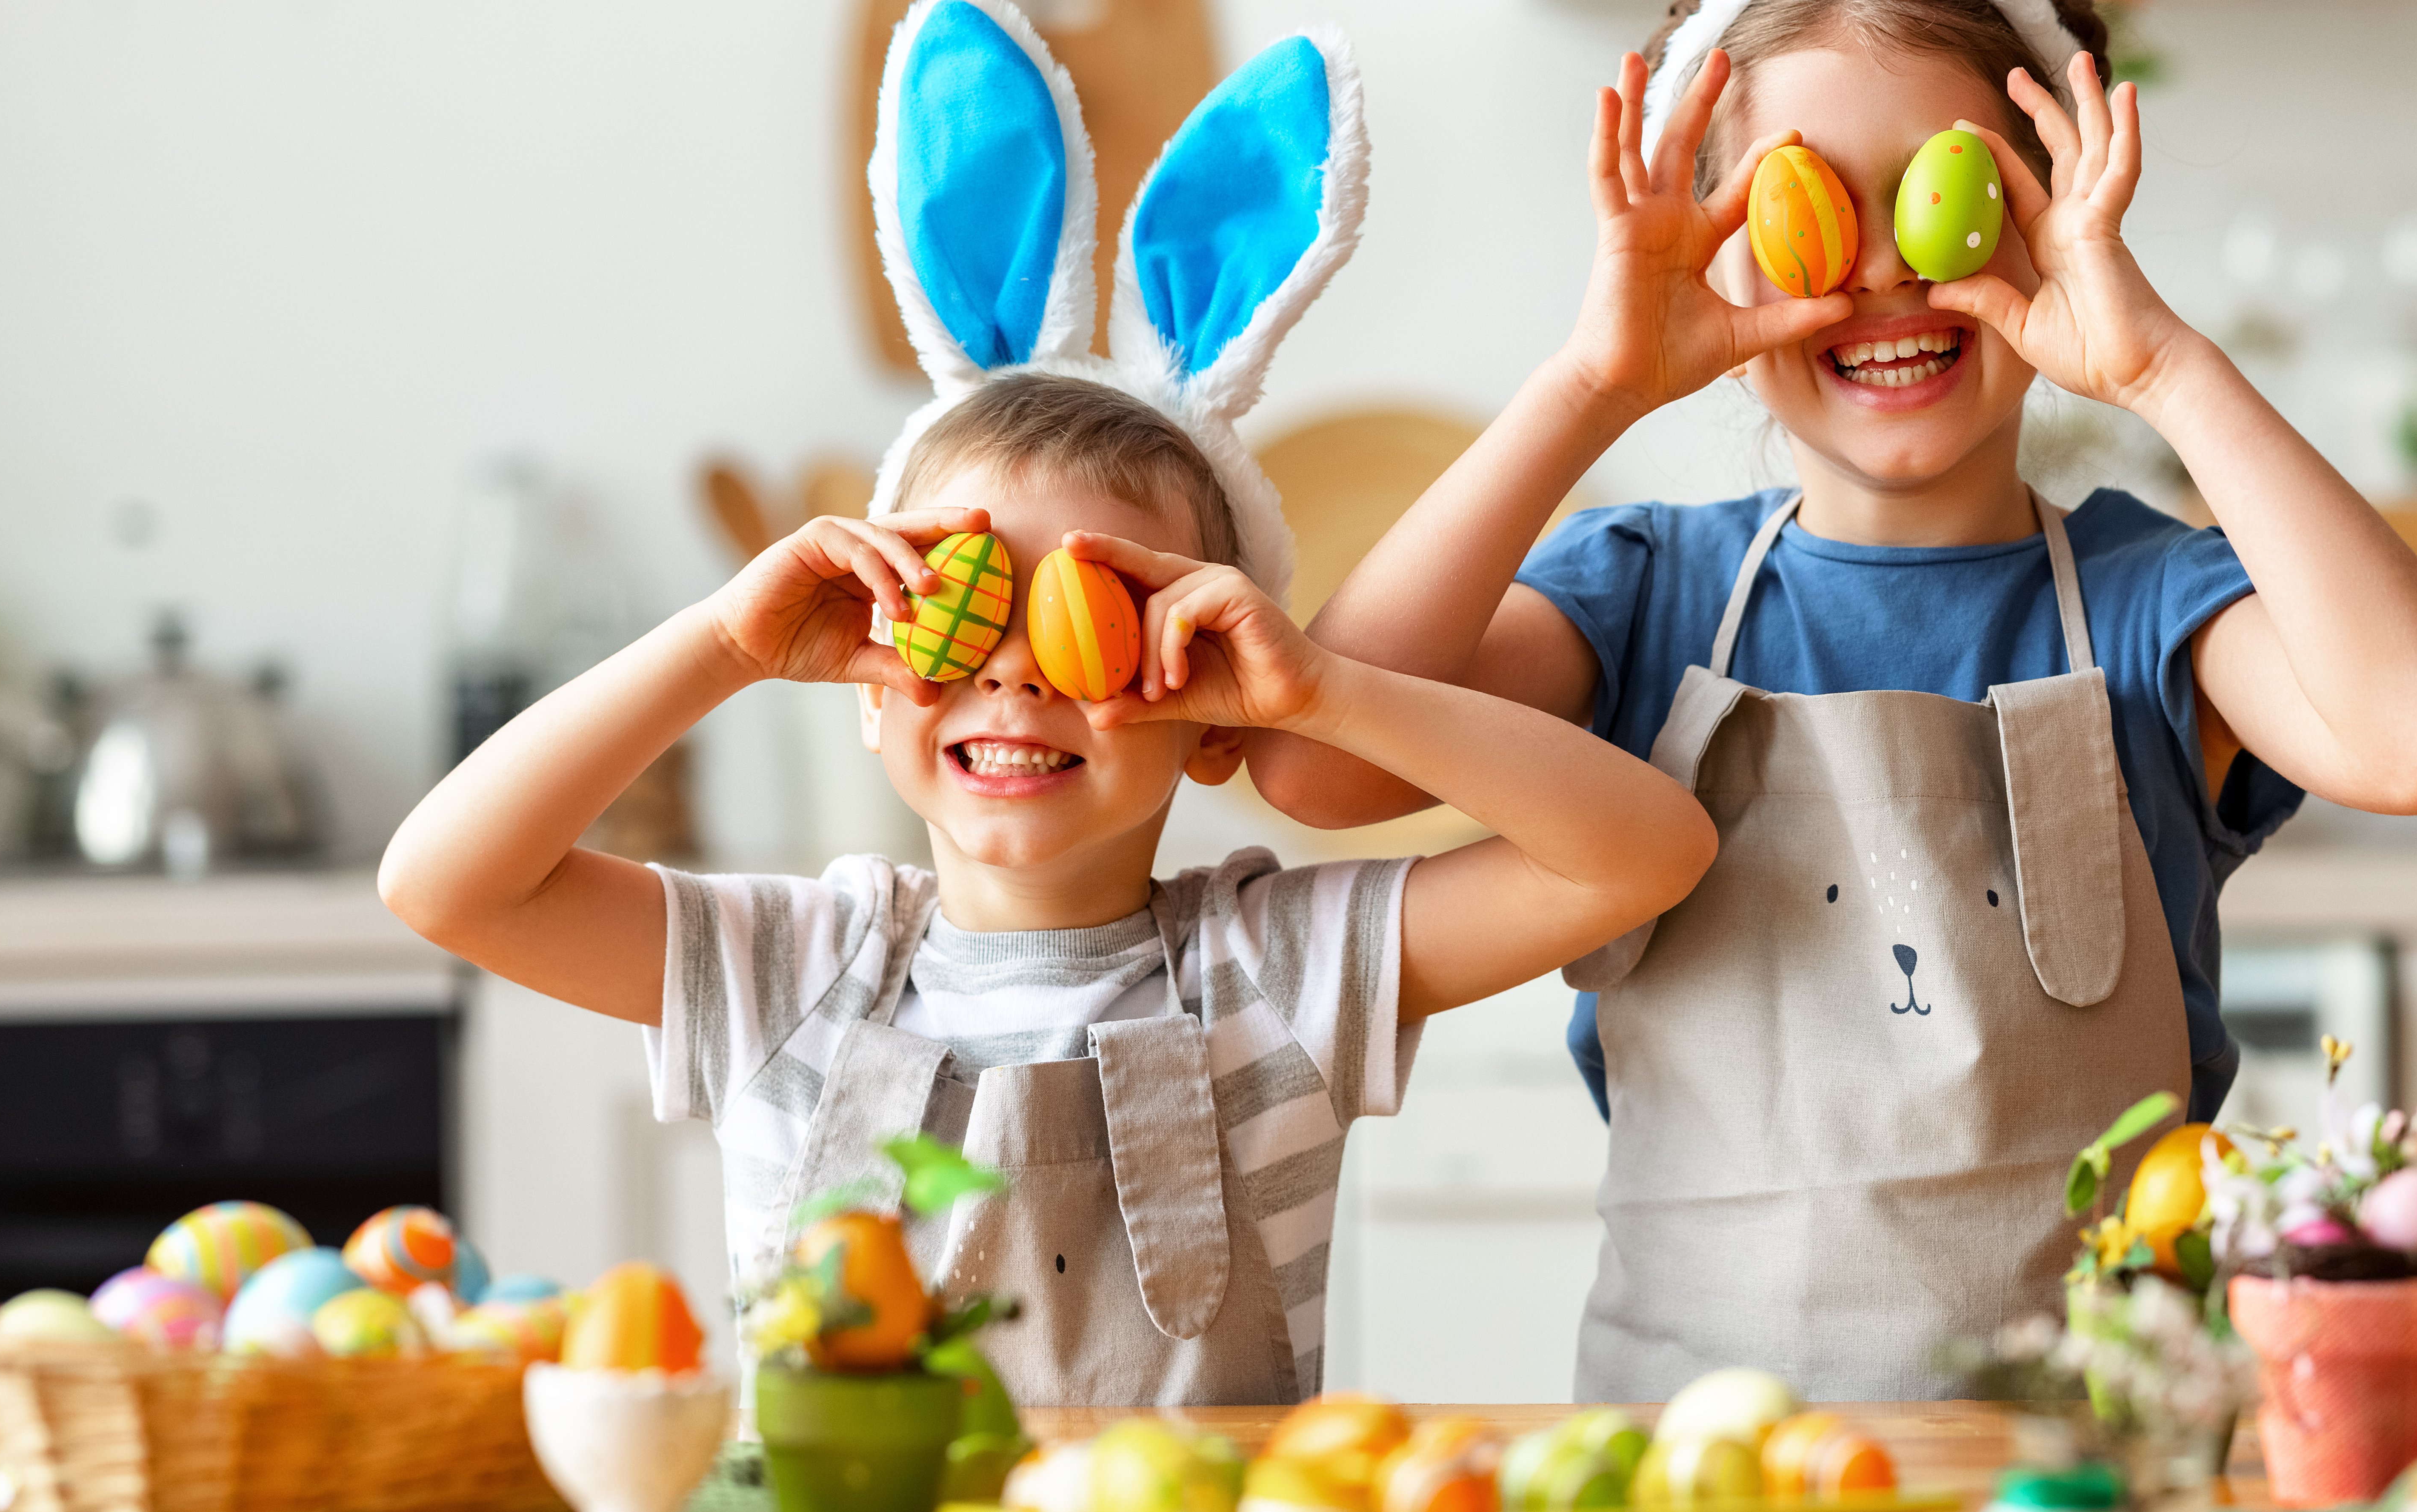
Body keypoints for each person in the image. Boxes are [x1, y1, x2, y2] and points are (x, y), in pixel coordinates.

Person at [380, 5, 1717, 1406]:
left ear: (1208, 710)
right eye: (964, 610)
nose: (1012, 668)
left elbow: (1645, 852)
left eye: (1091, 623)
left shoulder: (1282, 972)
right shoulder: (788, 969)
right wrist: (724, 642)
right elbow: (446, 884)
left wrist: (1317, 695)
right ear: (866, 678)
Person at [1245, 0, 2417, 1402]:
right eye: (1808, 207)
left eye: (1944, 195)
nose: (1889, 277)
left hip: (2095, 1469)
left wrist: (2159, 363)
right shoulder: (1642, 598)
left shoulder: (2156, 603)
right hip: (1707, 1477)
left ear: (2051, 203)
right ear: (1719, 242)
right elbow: (1321, 772)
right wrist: (1595, 382)